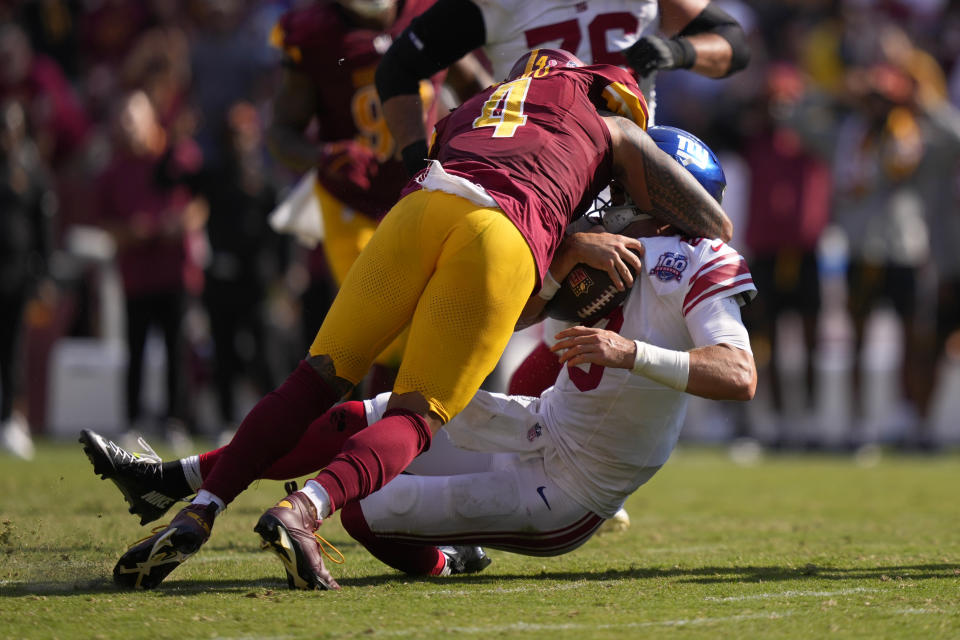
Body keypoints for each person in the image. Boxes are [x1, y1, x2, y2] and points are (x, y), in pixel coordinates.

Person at [108, 48, 732, 591]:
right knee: (414, 413)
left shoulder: (483, 102)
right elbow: (715, 225)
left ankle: (199, 504)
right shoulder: (609, 125)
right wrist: (605, 227)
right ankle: (302, 510)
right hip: (503, 232)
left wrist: (568, 241)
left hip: (421, 205)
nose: (616, 198)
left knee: (315, 380)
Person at [266, 0, 487, 395]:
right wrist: (326, 156)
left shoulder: (426, 14)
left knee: (438, 317)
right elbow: (281, 132)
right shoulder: (315, 32)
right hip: (353, 200)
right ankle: (375, 434)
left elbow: (482, 90)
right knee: (381, 326)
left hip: (421, 189)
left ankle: (397, 434)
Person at [374, 0, 750, 179]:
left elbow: (734, 44)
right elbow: (399, 68)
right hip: (531, 169)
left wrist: (679, 51)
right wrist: (416, 163)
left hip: (630, 166)